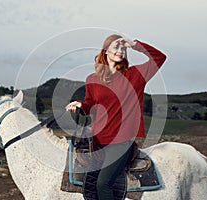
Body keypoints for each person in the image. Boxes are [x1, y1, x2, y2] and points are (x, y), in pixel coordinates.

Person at [66, 34, 166, 199]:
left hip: (121, 142)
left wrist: (135, 44)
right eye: (116, 47)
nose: (120, 51)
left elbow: (159, 58)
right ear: (105, 51)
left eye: (123, 48)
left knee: (103, 185)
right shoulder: (91, 79)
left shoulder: (135, 75)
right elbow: (90, 103)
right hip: (97, 141)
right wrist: (80, 105)